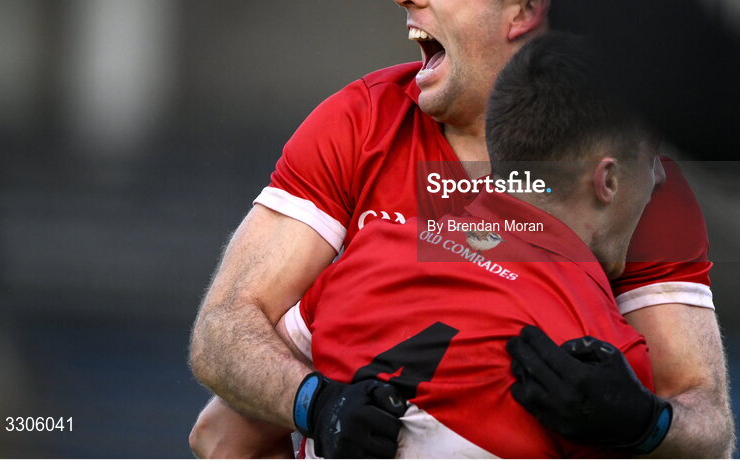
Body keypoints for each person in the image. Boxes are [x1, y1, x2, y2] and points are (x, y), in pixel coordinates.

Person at [188, 0, 733, 458]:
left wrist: (643, 421)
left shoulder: (640, 180)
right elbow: (225, 339)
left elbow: (708, 428)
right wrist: (318, 403)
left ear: (522, 13)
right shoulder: (364, 121)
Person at [285, 32, 673, 457]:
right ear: (608, 180)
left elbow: (217, 433)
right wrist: (648, 427)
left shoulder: (372, 246)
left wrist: (317, 406)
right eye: (651, 158)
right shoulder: (602, 355)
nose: (659, 179)